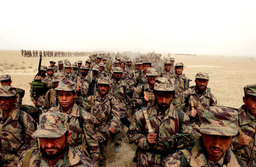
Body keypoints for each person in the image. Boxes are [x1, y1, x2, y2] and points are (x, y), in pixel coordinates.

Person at [128, 77, 196, 167]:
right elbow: (131, 133)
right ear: (155, 95)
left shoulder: (181, 117)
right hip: (146, 161)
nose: (164, 100)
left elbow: (189, 142)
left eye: (168, 97)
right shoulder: (141, 114)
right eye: (160, 96)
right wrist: (145, 140)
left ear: (172, 96)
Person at [165, 106, 246, 167]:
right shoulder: (177, 162)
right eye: (212, 135)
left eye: (224, 137)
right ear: (202, 133)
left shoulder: (239, 164)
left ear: (232, 137)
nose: (217, 144)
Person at [47, 79, 100, 163]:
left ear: (74, 95)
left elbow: (93, 144)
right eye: (60, 95)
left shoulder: (84, 116)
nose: (64, 99)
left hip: (76, 159)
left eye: (68, 95)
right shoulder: (50, 114)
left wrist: (94, 162)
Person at [17, 112, 94, 167]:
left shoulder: (84, 164)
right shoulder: (27, 160)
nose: (49, 145)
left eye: (55, 138)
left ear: (68, 136)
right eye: (44, 138)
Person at [84, 76, 122, 166]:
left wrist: (113, 125)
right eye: (101, 86)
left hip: (103, 133)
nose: (103, 88)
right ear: (98, 87)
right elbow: (82, 112)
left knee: (101, 158)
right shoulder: (90, 99)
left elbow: (116, 115)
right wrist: (92, 119)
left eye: (105, 86)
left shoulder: (112, 100)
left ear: (109, 87)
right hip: (90, 132)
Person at [0, 87, 36, 166]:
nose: (3, 102)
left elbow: (33, 148)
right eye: (1, 99)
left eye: (6, 99)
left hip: (16, 163)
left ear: (14, 99)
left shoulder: (25, 119)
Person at [231, 84, 256, 166]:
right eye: (254, 100)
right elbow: (215, 147)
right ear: (244, 100)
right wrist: (236, 142)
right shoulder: (232, 120)